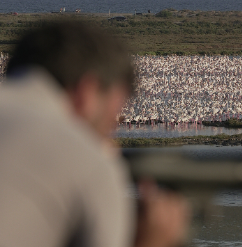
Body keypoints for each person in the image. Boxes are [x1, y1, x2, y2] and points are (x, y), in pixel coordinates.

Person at [0, 20, 189, 247]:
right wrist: (152, 241)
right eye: (112, 119)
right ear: (87, 93)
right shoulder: (84, 158)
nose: (110, 136)